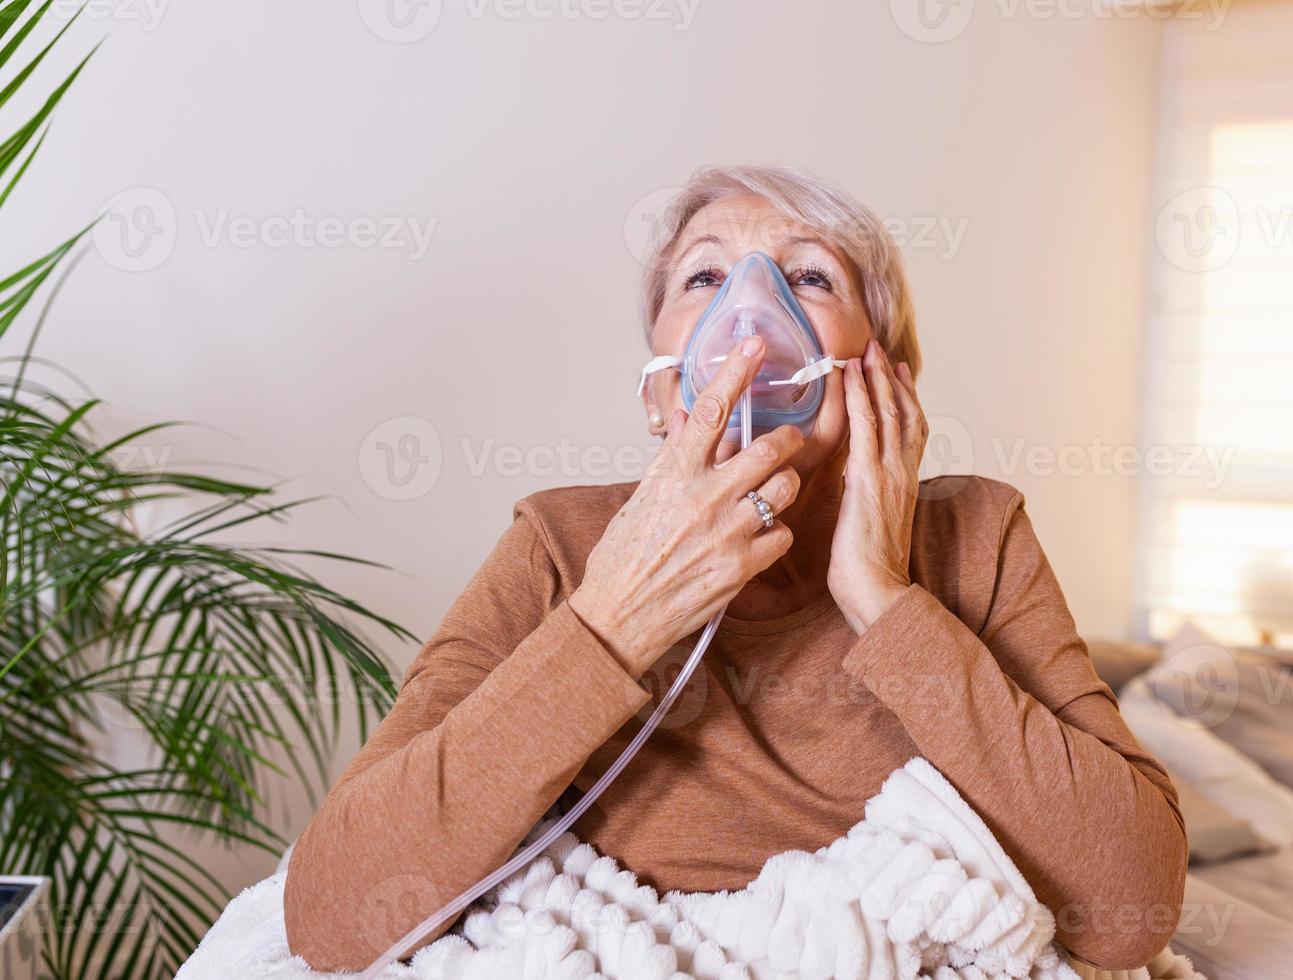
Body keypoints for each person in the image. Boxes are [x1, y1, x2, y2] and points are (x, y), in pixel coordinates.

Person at [283, 164, 1187, 973]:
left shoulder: (975, 535)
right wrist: (615, 620)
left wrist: (887, 599)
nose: (749, 316)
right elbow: (332, 917)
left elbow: (1128, 907)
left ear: (890, 377)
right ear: (660, 386)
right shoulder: (560, 542)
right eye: (705, 277)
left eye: (808, 276)